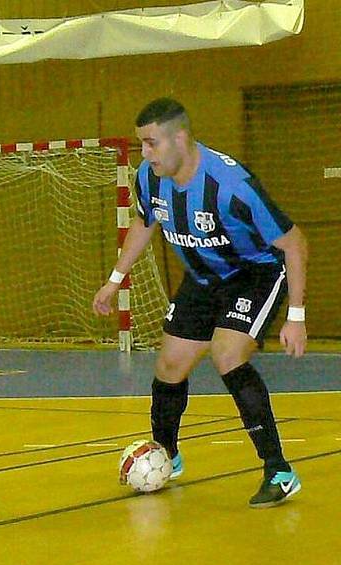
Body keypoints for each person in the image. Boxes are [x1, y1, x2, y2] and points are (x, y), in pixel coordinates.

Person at [92, 98, 308, 508]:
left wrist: (295, 315)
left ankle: (278, 470)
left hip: (256, 273)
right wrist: (114, 280)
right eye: (142, 144)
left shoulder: (232, 186)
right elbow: (144, 221)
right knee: (169, 365)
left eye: (152, 143)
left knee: (227, 354)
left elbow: (294, 242)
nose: (145, 153)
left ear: (181, 139)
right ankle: (167, 456)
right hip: (205, 277)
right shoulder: (149, 177)